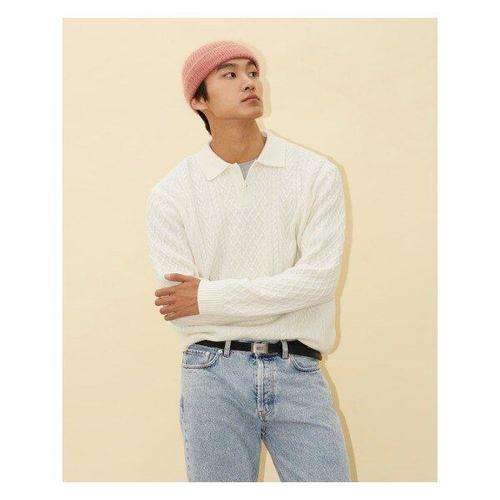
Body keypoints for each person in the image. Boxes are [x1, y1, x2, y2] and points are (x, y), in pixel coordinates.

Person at [145, 40, 351, 482]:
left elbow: (317, 282)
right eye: (230, 74)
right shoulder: (171, 193)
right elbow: (180, 308)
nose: (249, 82)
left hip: (299, 370)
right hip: (211, 374)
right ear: (198, 100)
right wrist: (280, 296)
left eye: (252, 72)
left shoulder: (316, 174)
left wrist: (208, 297)